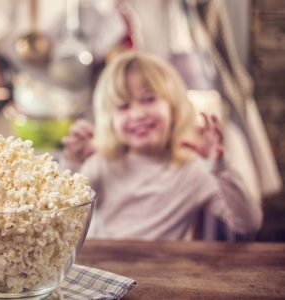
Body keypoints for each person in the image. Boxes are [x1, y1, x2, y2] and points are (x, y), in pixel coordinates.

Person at [61, 50, 262, 240]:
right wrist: (72, 164)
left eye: (149, 100)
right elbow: (63, 222)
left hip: (165, 272)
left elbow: (248, 224)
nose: (138, 114)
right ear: (109, 120)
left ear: (174, 109)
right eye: (123, 106)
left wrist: (219, 166)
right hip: (106, 270)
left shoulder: (195, 171)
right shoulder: (100, 164)